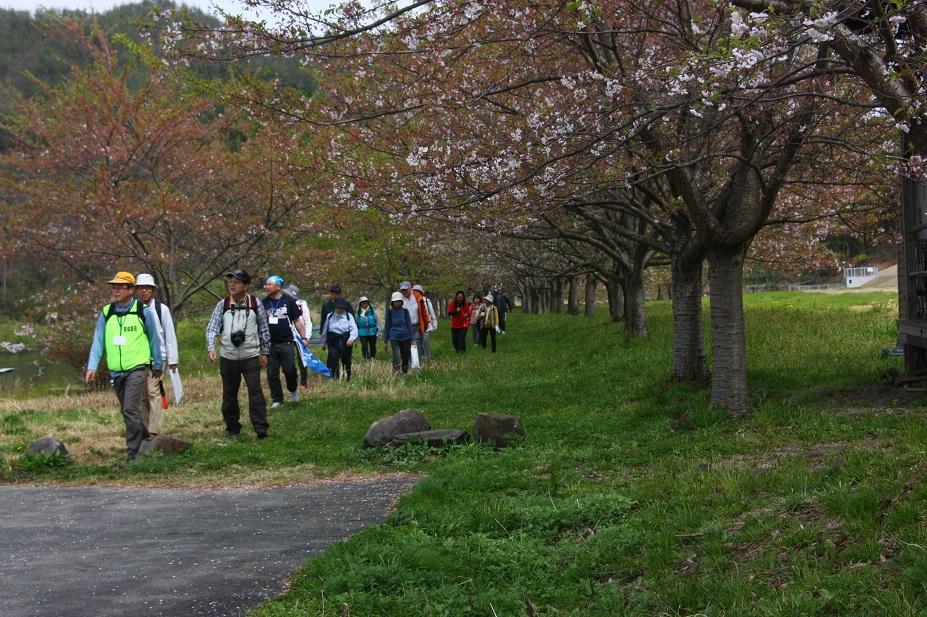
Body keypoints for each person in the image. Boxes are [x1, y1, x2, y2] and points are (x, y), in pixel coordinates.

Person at [84, 271, 163, 461]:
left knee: (129, 409)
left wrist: (158, 364)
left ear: (131, 290)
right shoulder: (107, 312)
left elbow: (154, 339)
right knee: (128, 410)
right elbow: (98, 341)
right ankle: (144, 436)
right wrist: (92, 367)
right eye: (114, 287)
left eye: (120, 287)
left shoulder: (143, 311)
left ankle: (133, 453)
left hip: (137, 367)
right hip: (116, 371)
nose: (116, 290)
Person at [205, 269, 271, 439]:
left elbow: (264, 329)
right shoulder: (223, 304)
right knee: (229, 394)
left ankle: (260, 427)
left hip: (250, 356)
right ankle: (232, 427)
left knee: (255, 391)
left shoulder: (256, 303)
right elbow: (212, 328)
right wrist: (211, 347)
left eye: (237, 282)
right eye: (230, 282)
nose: (232, 285)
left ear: (246, 286)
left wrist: (265, 352)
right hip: (228, 357)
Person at [135, 273, 179, 438]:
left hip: (159, 356)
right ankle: (146, 428)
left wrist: (172, 359)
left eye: (147, 288)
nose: (144, 291)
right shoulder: (134, 309)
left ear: (152, 290)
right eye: (141, 288)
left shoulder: (162, 309)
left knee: (153, 391)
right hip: (140, 358)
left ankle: (154, 430)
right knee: (142, 394)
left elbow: (169, 334)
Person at [262, 275, 308, 408]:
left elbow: (298, 321)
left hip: (286, 343)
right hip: (269, 344)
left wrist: (304, 337)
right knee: (272, 373)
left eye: (269, 284)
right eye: (266, 285)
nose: (266, 287)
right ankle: (277, 399)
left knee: (289, 370)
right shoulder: (263, 303)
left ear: (278, 286)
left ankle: (293, 391)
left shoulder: (289, 301)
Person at [321, 298, 358, 380]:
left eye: (341, 308)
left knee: (346, 360)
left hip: (346, 340)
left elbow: (354, 329)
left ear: (344, 308)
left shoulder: (349, 316)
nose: (339, 309)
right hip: (333, 340)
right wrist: (323, 343)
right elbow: (325, 330)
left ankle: (347, 377)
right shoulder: (329, 316)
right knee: (333, 359)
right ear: (334, 307)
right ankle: (335, 377)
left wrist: (351, 339)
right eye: (337, 307)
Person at [284, 284, 312, 388]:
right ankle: (292, 378)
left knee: (302, 359)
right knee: (288, 359)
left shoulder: (301, 304)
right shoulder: (282, 303)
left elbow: (307, 321)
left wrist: (307, 336)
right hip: (287, 335)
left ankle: (303, 381)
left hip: (301, 335)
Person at [383, 291, 413, 375]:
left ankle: (405, 370)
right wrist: (385, 341)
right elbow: (387, 327)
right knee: (396, 355)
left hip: (405, 336)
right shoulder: (389, 312)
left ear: (401, 301)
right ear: (392, 302)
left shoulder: (405, 311)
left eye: (399, 301)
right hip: (394, 337)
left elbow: (409, 325)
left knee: (405, 355)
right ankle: (396, 372)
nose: (397, 303)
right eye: (395, 301)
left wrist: (412, 339)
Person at [399, 280, 426, 357]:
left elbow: (424, 312)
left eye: (406, 289)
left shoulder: (417, 297)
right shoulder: (399, 300)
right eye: (402, 290)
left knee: (417, 346)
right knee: (406, 347)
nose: (404, 292)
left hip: (416, 326)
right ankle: (408, 364)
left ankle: (418, 365)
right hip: (404, 327)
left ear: (410, 288)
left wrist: (426, 324)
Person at [412, 284, 438, 361]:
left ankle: (427, 356)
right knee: (418, 342)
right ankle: (421, 357)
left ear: (421, 292)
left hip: (426, 325)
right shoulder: (412, 301)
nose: (415, 293)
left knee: (425, 340)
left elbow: (431, 312)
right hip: (417, 325)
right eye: (414, 291)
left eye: (417, 291)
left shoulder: (426, 300)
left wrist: (434, 323)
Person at [356, 296, 380, 360]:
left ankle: (372, 358)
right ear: (360, 304)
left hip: (372, 332)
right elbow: (356, 323)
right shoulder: (358, 313)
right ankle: (366, 359)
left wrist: (378, 331)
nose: (364, 304)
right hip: (362, 332)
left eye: (366, 303)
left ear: (368, 303)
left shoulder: (372, 312)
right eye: (363, 303)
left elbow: (377, 321)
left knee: (372, 346)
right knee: (364, 346)